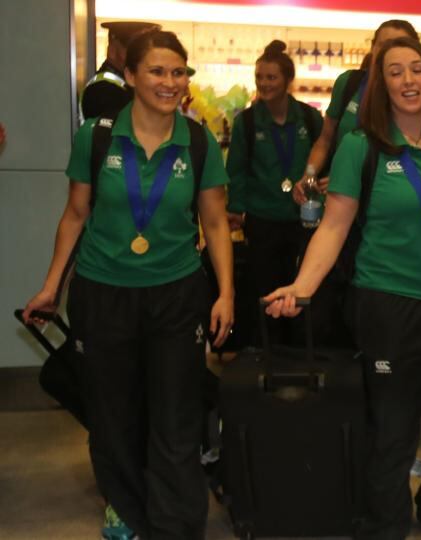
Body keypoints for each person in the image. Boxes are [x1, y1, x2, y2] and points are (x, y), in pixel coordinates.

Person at [265, 36, 421, 540]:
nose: (409, 81)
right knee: (394, 424)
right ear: (379, 86)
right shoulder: (361, 145)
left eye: (417, 70)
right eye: (395, 72)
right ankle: (387, 520)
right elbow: (335, 225)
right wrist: (302, 286)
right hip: (388, 303)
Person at [23, 29, 233, 539]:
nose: (169, 82)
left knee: (176, 415)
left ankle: (177, 523)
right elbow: (75, 215)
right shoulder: (96, 136)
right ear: (132, 76)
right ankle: (126, 509)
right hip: (103, 292)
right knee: (113, 415)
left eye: (178, 72)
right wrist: (51, 286)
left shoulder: (199, 141)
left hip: (176, 294)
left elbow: (216, 221)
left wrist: (226, 293)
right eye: (157, 71)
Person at [225, 40, 323, 346]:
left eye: (271, 77)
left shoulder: (309, 118)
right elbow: (237, 169)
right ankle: (265, 348)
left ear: (287, 80)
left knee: (302, 285)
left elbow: (325, 159)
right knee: (264, 286)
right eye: (259, 78)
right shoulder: (248, 121)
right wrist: (235, 209)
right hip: (262, 217)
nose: (264, 84)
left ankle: (300, 347)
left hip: (304, 219)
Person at [293, 19, 419, 201]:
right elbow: (325, 140)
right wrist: (309, 176)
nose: (391, 52)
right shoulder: (349, 84)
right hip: (338, 201)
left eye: (400, 45)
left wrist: (353, 180)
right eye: (384, 45)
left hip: (386, 201)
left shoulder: (414, 96)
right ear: (373, 47)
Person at [81, 21, 160, 122]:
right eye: (131, 50)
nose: (137, 57)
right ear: (112, 48)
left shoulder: (126, 83)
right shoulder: (103, 90)